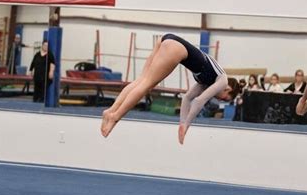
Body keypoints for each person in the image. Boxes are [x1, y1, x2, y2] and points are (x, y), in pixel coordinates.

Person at [101, 33, 240, 143]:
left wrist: (182, 123)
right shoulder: (222, 81)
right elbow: (199, 101)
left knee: (141, 80)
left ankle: (110, 111)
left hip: (167, 39)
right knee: (146, 85)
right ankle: (115, 116)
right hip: (176, 48)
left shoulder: (207, 80)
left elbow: (187, 98)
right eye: (225, 99)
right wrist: (186, 126)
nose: (220, 99)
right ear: (228, 90)